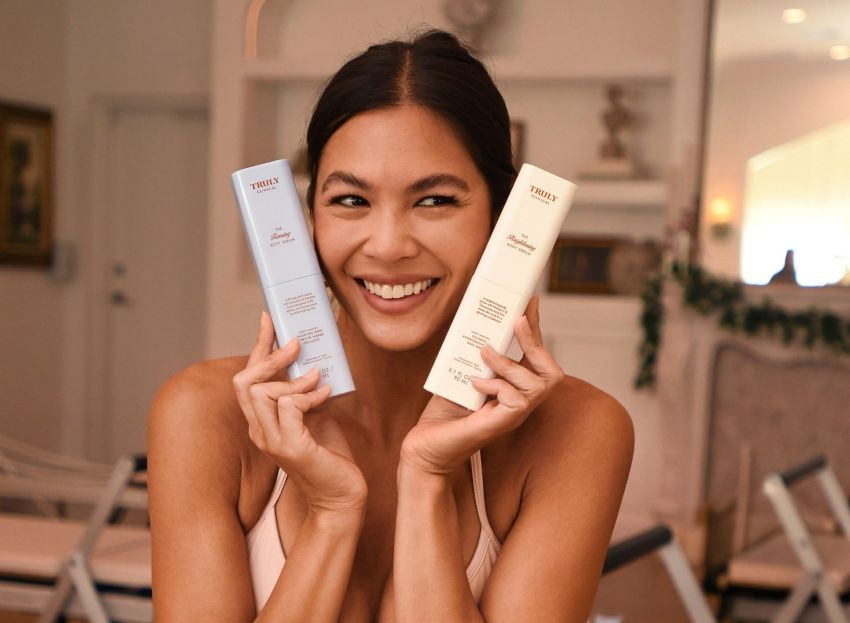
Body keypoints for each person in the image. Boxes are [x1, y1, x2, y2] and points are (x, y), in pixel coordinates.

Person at [148, 29, 633, 622]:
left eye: (434, 201)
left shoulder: (579, 432)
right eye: (351, 201)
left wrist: (429, 477)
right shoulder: (204, 416)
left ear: (503, 224)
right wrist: (330, 511)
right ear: (305, 224)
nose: (388, 246)